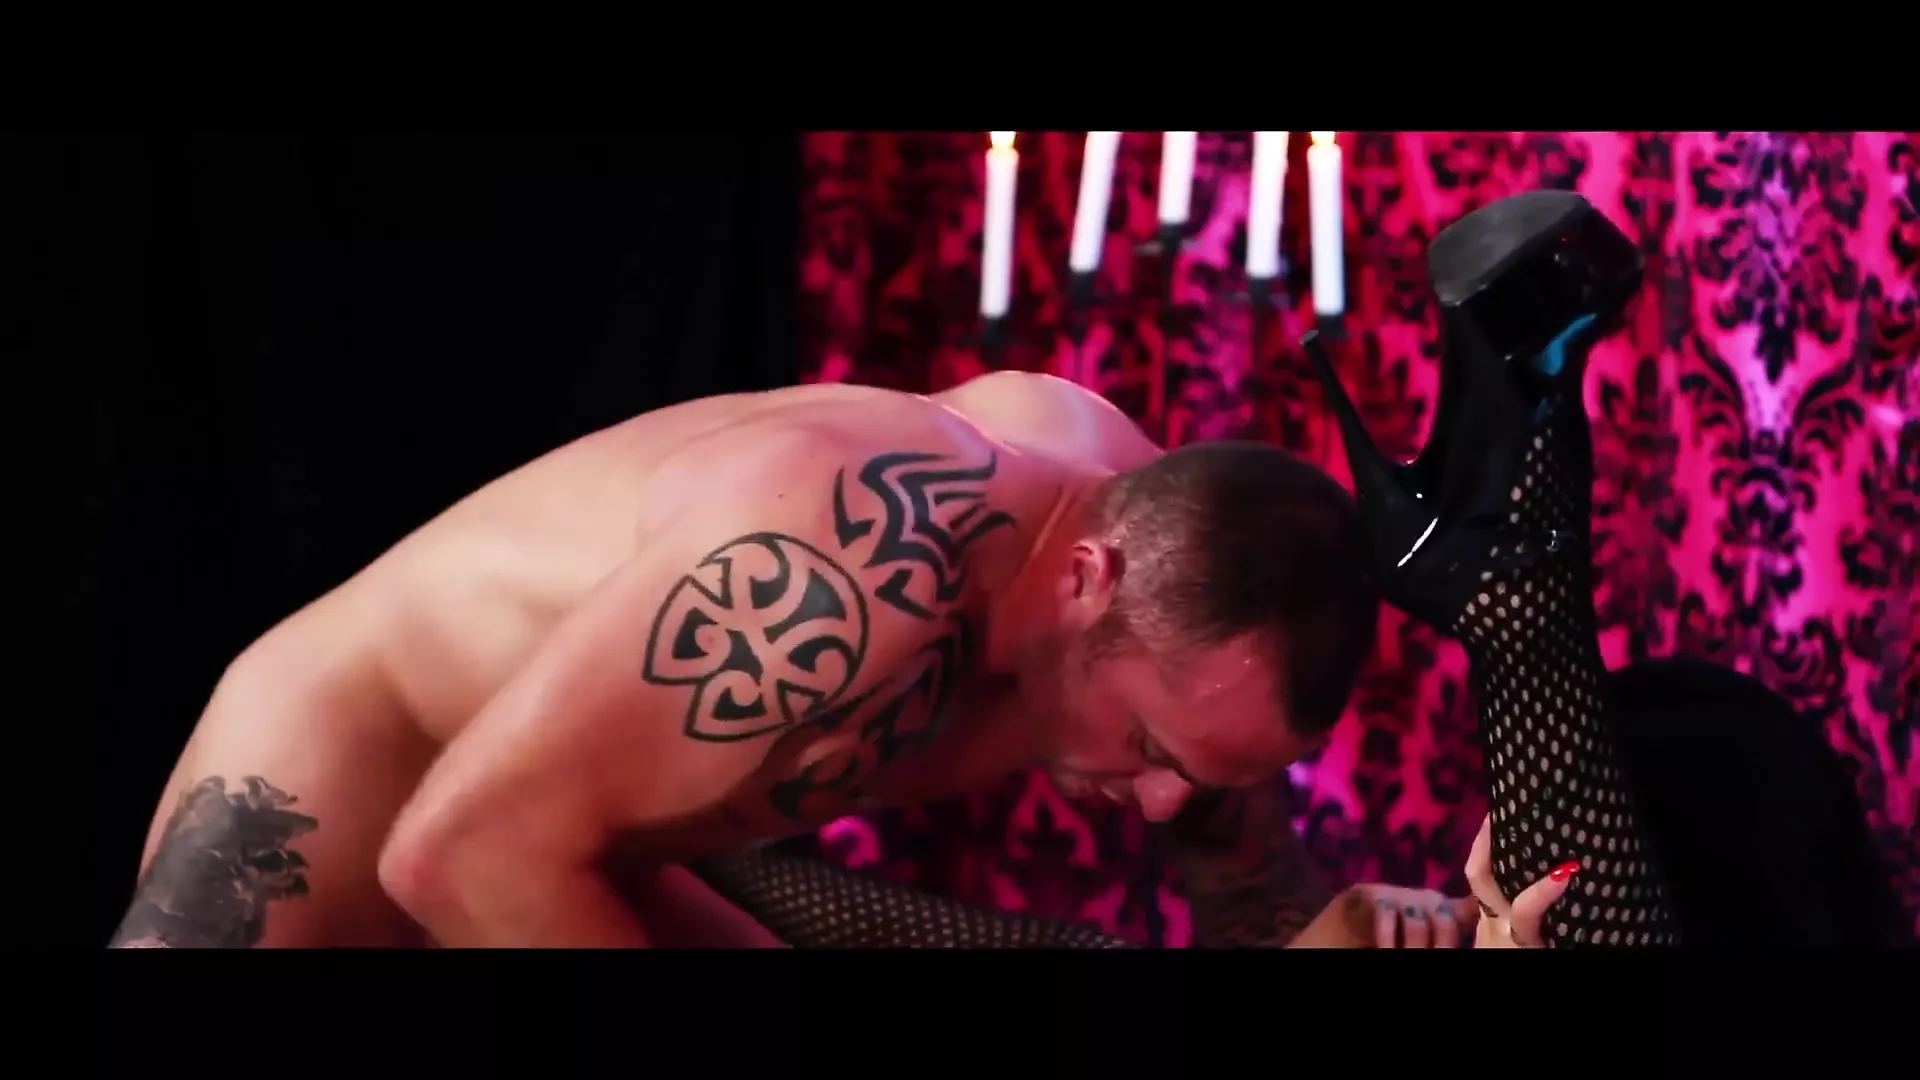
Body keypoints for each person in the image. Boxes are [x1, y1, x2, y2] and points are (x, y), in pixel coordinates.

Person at [110, 371, 1399, 950]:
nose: (1164, 801)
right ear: (1084, 581)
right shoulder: (844, 574)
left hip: (579, 842)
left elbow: (1253, 901)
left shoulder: (1176, 584)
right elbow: (459, 855)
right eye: (1157, 755)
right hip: (352, 792)